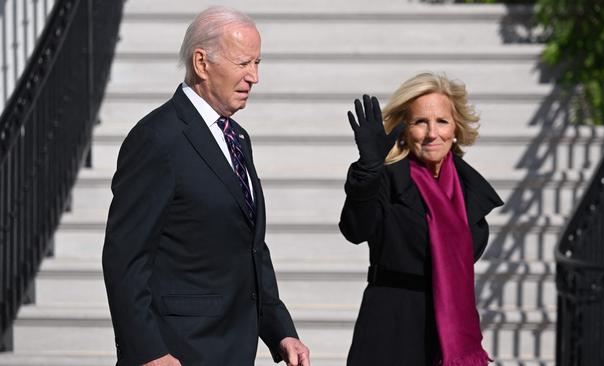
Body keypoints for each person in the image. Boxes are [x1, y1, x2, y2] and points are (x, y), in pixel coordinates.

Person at [102, 6, 310, 366]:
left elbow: (250, 246)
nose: (254, 77)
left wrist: (280, 330)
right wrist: (149, 351)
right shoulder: (157, 138)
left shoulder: (237, 137)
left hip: (233, 349)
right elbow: (124, 259)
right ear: (202, 63)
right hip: (178, 351)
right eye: (244, 63)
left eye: (258, 63)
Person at [339, 72, 504, 365]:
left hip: (448, 332)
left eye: (442, 121)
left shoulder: (469, 191)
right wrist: (368, 169)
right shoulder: (386, 179)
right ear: (404, 128)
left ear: (456, 127)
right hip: (391, 327)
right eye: (420, 122)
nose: (432, 133)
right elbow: (354, 229)